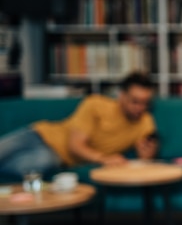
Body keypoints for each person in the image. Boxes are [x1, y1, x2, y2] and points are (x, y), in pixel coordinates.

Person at [0, 71, 158, 181]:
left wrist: (148, 154)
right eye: (135, 101)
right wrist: (104, 159)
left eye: (145, 103)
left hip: (56, 158)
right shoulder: (95, 104)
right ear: (121, 95)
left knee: (39, 164)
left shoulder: (145, 121)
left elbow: (144, 159)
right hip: (38, 135)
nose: (140, 108)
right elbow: (75, 146)